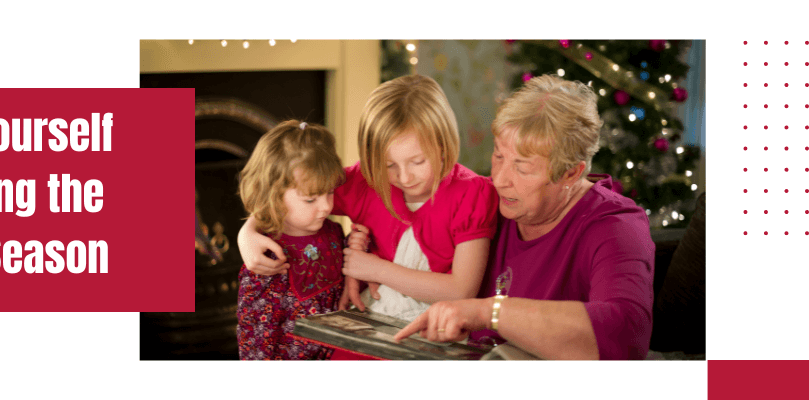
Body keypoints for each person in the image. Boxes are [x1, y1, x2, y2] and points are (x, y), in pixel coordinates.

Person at [393, 75, 656, 360]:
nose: (499, 179)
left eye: (522, 167)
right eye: (498, 156)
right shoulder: (483, 201)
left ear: (571, 173)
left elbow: (625, 333)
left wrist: (488, 312)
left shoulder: (616, 225)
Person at [239, 74, 497, 327]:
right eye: (388, 165)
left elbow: (461, 289)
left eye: (418, 161)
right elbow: (293, 197)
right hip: (371, 317)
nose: (404, 177)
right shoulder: (366, 182)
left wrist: (374, 270)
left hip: (438, 326)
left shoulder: (472, 193)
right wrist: (248, 232)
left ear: (443, 145)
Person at [235, 120, 349, 360]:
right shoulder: (265, 255)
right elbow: (256, 335)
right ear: (273, 195)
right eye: (310, 199)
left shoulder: (334, 232)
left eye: (329, 192)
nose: (326, 207)